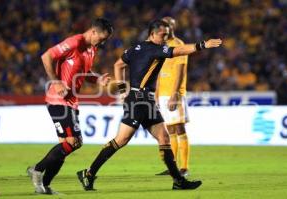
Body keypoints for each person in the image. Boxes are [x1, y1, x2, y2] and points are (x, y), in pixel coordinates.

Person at [77, 19, 222, 191]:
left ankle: (178, 181)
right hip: (138, 101)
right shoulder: (156, 49)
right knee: (121, 140)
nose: (165, 39)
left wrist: (123, 91)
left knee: (164, 138)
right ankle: (89, 173)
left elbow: (119, 65)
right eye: (163, 35)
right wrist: (203, 45)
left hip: (146, 101)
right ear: (152, 34)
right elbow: (181, 50)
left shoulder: (135, 48)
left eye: (167, 36)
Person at [26, 18, 113, 195]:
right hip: (58, 100)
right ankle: (36, 169)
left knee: (64, 146)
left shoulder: (92, 49)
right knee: (75, 142)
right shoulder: (75, 42)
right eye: (102, 38)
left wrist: (97, 79)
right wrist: (56, 82)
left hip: (71, 101)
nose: (102, 42)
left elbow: (84, 72)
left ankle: (45, 186)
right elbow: (46, 56)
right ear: (93, 31)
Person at [155, 16, 190, 177]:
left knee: (179, 127)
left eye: (168, 25)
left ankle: (184, 167)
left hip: (174, 93)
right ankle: (173, 166)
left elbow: (180, 72)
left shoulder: (178, 45)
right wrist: (156, 93)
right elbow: (158, 73)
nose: (165, 28)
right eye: (163, 25)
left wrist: (175, 94)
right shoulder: (161, 46)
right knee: (169, 130)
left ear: (173, 27)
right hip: (162, 93)